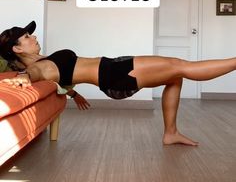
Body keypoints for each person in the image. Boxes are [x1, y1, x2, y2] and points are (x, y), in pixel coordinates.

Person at [1, 21, 236, 146]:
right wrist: (23, 78)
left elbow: (59, 78)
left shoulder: (46, 61)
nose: (34, 37)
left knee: (175, 76)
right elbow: (32, 73)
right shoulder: (38, 67)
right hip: (116, 75)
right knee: (180, 65)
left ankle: (171, 133)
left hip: (114, 68)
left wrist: (73, 94)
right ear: (17, 48)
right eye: (27, 37)